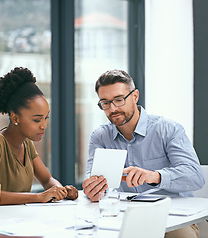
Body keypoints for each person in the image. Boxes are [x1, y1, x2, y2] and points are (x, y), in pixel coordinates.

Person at [82, 69, 204, 238]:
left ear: (135, 96)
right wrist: (93, 189)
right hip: (121, 217)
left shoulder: (167, 129)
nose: (113, 108)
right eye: (105, 103)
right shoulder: (100, 136)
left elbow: (196, 177)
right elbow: (93, 179)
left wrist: (154, 176)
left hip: (172, 217)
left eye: (119, 100)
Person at [0, 67, 78, 205]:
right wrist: (38, 197)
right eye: (37, 120)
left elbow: (46, 180)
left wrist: (61, 190)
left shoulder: (27, 145)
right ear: (15, 118)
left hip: (18, 220)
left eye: (46, 118)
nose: (44, 125)